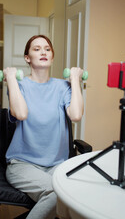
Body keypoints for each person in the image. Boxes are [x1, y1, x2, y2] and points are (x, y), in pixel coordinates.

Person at [4, 35, 84, 219]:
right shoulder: (20, 85)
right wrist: (11, 79)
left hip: (57, 164)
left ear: (52, 56)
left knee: (77, 194)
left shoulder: (63, 86)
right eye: (37, 48)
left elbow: (76, 115)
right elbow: (21, 113)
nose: (43, 52)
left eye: (47, 49)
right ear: (27, 57)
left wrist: (74, 80)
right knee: (58, 193)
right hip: (22, 165)